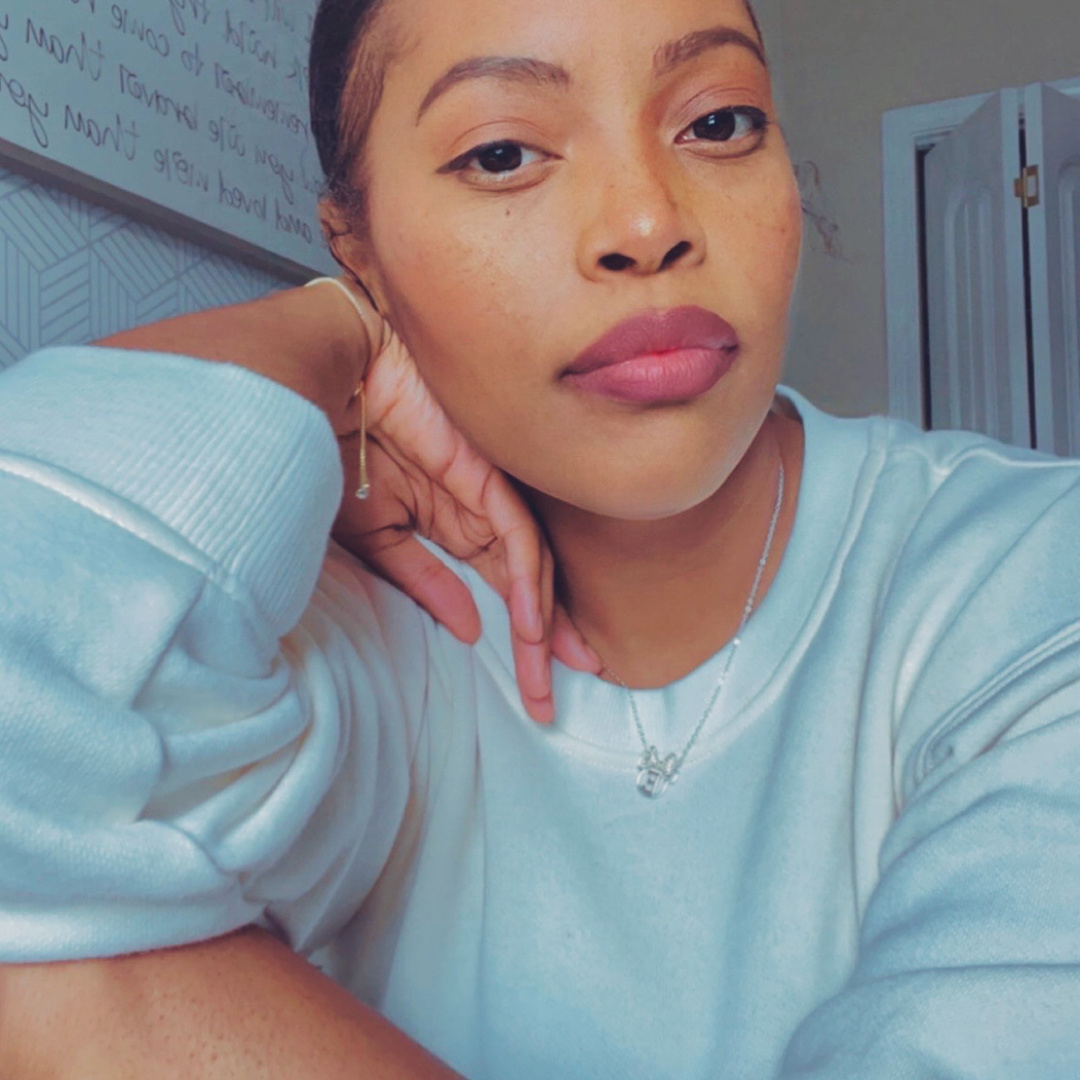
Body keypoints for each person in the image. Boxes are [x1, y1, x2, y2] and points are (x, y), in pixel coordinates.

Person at [1, 0, 1079, 1076]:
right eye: (502, 152)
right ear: (361, 251)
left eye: (717, 123)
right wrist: (323, 329)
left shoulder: (1028, 570)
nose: (647, 224)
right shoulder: (350, 637)